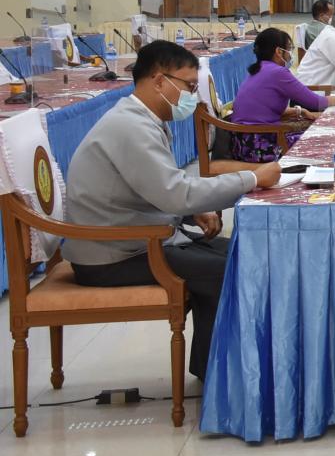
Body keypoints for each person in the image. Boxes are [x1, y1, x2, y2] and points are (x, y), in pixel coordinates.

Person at [64, 40, 280, 379]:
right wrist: (252, 178)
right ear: (159, 81)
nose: (192, 96)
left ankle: (214, 366)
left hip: (134, 238)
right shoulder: (130, 127)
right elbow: (175, 193)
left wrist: (190, 213)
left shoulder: (139, 118)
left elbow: (153, 189)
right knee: (231, 267)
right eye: (189, 87)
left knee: (243, 250)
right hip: (112, 255)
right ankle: (220, 375)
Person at [227, 28, 328, 163]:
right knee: (326, 140)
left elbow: (261, 110)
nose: (290, 54)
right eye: (289, 49)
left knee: (320, 133)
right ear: (279, 51)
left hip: (243, 143)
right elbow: (316, 102)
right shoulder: (277, 72)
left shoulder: (260, 69)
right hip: (260, 145)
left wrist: (300, 111)